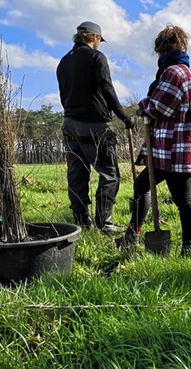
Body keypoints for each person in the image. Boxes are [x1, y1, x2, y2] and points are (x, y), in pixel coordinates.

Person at [116, 25, 191, 256]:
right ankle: (132, 235)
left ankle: (189, 246)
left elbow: (160, 106)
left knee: (182, 198)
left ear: (161, 50)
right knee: (144, 186)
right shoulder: (185, 71)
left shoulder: (174, 72)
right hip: (174, 148)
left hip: (172, 149)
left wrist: (142, 107)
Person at [57, 21, 134, 235]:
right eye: (100, 40)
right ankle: (104, 223)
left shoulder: (63, 62)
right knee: (109, 174)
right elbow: (106, 87)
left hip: (69, 125)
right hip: (95, 127)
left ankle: (81, 222)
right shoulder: (96, 57)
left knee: (77, 175)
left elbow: (64, 95)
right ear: (95, 37)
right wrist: (123, 116)